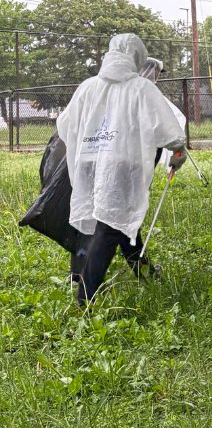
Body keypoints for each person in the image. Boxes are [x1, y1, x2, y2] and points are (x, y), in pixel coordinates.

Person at [57, 34, 188, 305]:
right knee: (109, 226)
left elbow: (65, 124)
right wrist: (178, 151)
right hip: (123, 166)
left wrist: (92, 143)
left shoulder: (87, 87)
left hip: (90, 164)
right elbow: (168, 129)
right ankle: (85, 297)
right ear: (136, 58)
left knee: (119, 221)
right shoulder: (141, 88)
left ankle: (143, 271)